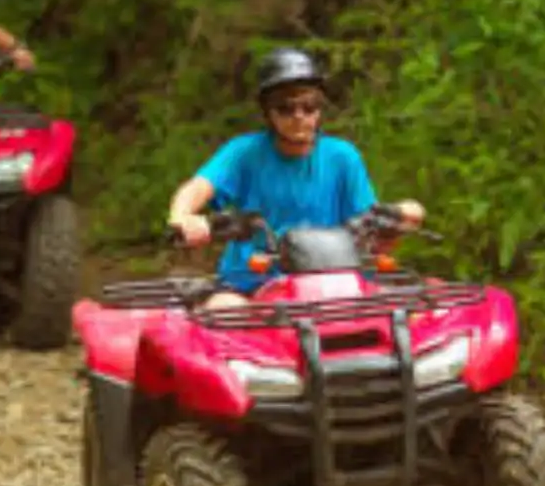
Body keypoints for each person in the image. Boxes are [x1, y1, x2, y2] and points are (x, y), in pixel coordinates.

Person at [166, 47, 424, 307]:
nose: (299, 115)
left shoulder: (343, 156)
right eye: (285, 107)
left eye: (309, 106)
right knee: (222, 309)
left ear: (320, 110)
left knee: (406, 312)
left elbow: (371, 226)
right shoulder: (243, 152)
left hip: (333, 283)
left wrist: (395, 225)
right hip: (253, 284)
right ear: (268, 112)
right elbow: (199, 186)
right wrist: (183, 217)